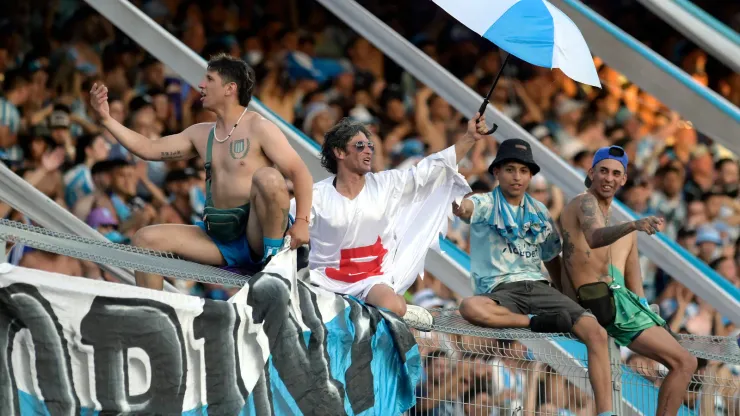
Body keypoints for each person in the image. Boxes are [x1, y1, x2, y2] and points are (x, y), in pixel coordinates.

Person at [89, 53, 313, 289]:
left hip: (256, 236)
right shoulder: (200, 133)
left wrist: (302, 223)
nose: (201, 85)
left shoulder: (260, 127)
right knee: (145, 239)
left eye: (209, 79)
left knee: (268, 177)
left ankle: (274, 269)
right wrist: (106, 119)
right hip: (220, 235)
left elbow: (300, 172)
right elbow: (148, 148)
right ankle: (154, 315)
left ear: (229, 88)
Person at [451, 139, 615, 416]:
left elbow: (552, 259)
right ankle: (535, 323)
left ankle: (607, 413)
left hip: (539, 287)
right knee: (469, 307)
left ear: (530, 175)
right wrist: (456, 198)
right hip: (500, 290)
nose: (517, 177)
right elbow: (463, 208)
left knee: (596, 332)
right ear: (497, 172)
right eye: (511, 169)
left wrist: (567, 299)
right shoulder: (484, 203)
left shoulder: (539, 211)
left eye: (524, 171)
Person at [291, 114, 485, 324]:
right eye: (359, 145)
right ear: (339, 152)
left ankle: (387, 326)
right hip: (324, 281)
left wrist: (469, 137)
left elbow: (432, 170)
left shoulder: (386, 185)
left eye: (370, 146)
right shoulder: (315, 196)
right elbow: (286, 229)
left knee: (393, 306)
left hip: (370, 281)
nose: (368, 150)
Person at [559, 145, 697, 416]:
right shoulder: (584, 202)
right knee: (685, 362)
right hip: (602, 300)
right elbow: (594, 237)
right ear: (591, 172)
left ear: (623, 180)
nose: (609, 178)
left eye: (615, 174)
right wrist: (633, 225)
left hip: (617, 300)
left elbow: (629, 275)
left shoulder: (608, 214)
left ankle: (646, 312)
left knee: (683, 360)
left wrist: (646, 309)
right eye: (603, 171)